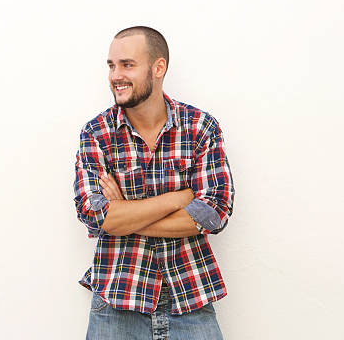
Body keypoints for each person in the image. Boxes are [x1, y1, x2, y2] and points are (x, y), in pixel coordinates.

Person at [73, 26, 235, 340]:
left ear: (158, 68)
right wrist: (178, 199)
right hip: (116, 301)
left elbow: (213, 213)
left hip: (190, 297)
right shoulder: (96, 133)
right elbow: (96, 215)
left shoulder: (200, 127)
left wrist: (123, 215)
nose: (115, 75)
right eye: (111, 65)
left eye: (127, 65)